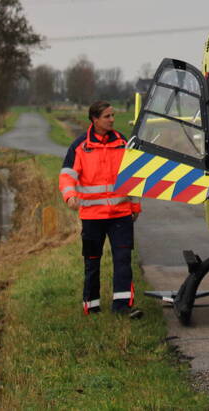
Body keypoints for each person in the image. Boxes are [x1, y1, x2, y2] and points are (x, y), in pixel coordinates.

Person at [59, 101, 143, 318]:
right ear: (94, 119)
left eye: (113, 115)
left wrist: (135, 205)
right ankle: (91, 305)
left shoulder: (123, 143)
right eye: (107, 116)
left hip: (121, 215)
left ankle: (122, 307)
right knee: (92, 261)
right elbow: (67, 175)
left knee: (123, 260)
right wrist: (69, 196)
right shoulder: (79, 146)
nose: (112, 120)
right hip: (92, 217)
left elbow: (134, 177)